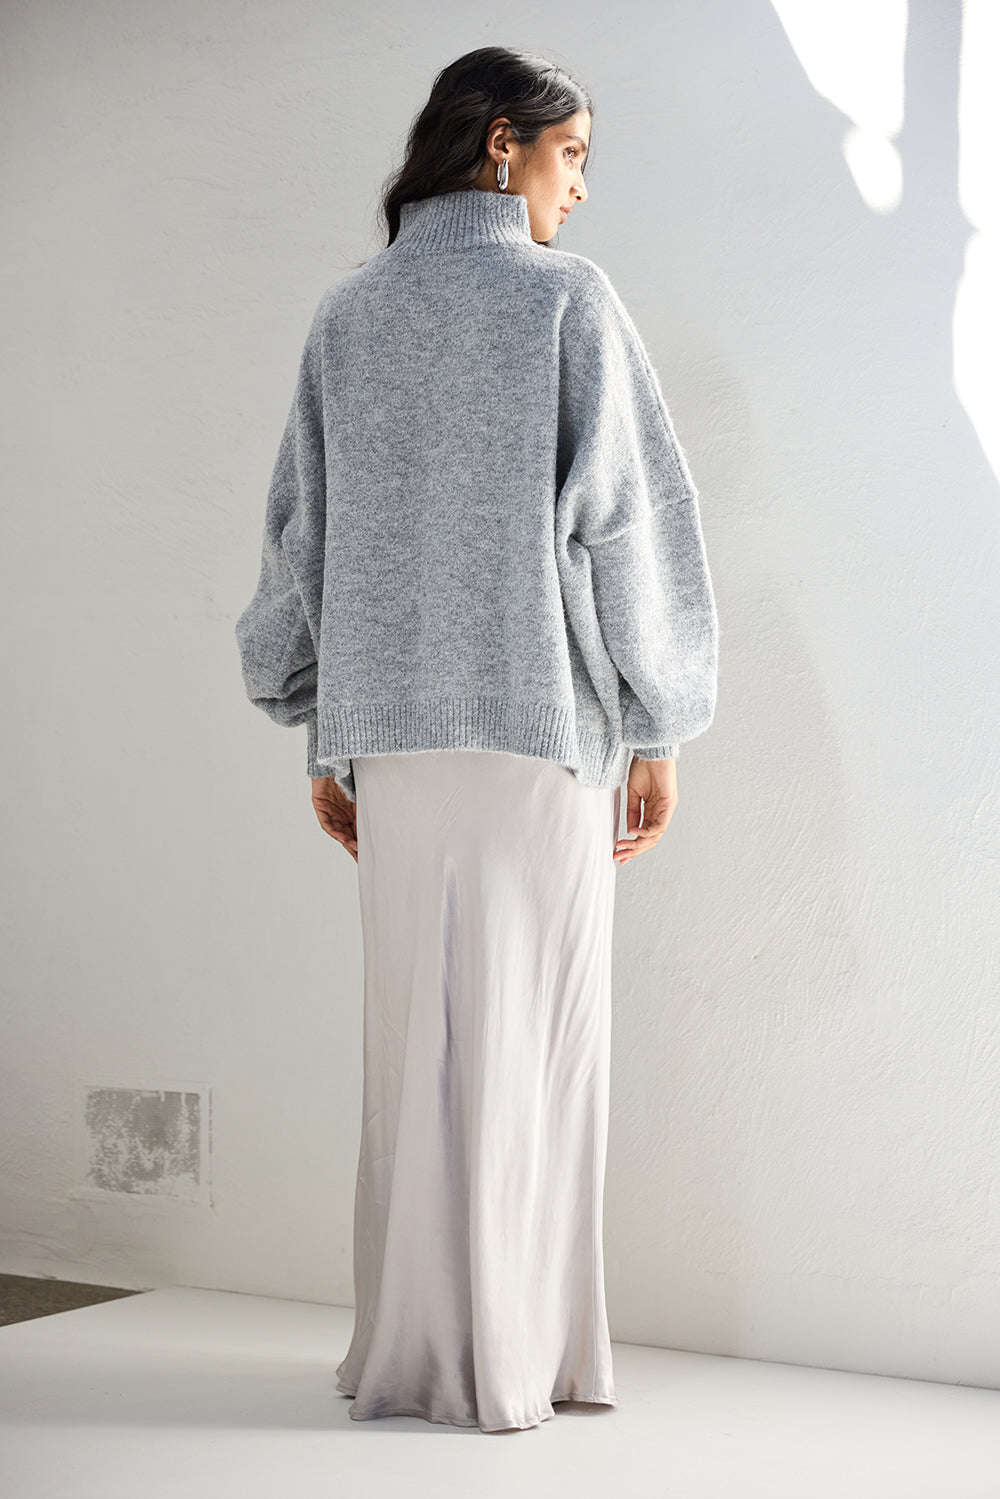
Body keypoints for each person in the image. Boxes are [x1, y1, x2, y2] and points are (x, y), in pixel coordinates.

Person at [235, 46, 718, 1434]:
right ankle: (525, 1356)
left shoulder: (349, 314)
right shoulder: (567, 300)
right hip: (539, 736)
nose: (582, 189)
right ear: (502, 143)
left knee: (416, 1051)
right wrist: (660, 721)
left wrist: (322, 731)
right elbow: (629, 521)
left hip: (392, 750)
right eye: (574, 156)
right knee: (536, 1043)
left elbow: (308, 544)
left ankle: (414, 1351)